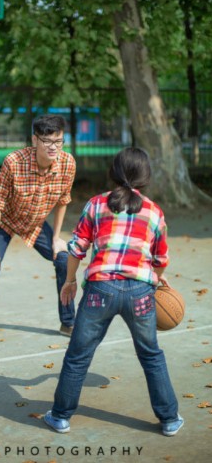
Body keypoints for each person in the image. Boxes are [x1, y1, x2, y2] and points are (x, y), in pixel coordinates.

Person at [44, 147, 184, 437]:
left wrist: (69, 281)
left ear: (114, 173)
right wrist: (154, 279)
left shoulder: (96, 204)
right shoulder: (154, 212)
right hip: (139, 293)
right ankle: (169, 419)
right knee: (151, 355)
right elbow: (161, 260)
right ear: (145, 177)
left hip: (100, 290)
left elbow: (77, 248)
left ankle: (60, 417)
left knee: (78, 355)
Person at [0, 114, 76, 356]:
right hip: (3, 220)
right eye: (48, 142)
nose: (54, 147)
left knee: (64, 259)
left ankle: (68, 322)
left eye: (58, 141)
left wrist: (57, 237)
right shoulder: (14, 162)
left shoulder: (68, 164)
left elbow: (63, 201)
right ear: (35, 140)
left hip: (34, 222)